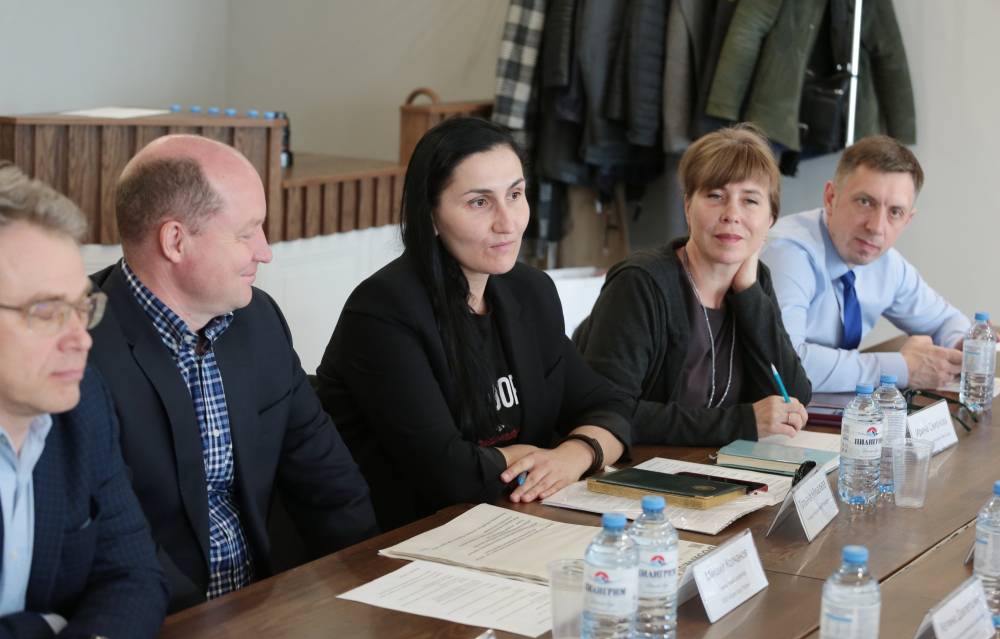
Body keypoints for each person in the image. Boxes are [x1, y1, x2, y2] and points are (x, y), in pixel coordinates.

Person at [88, 135, 377, 612]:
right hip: (156, 623)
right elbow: (114, 539)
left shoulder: (258, 320)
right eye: (247, 233)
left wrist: (374, 589)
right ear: (175, 241)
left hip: (264, 609)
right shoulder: (78, 348)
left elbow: (329, 483)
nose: (265, 252)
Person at [316, 117, 632, 531]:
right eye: (479, 202)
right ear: (431, 214)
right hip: (402, 539)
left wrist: (574, 455)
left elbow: (611, 407)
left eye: (515, 195)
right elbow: (449, 475)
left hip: (510, 521)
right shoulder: (382, 311)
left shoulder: (529, 291)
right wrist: (539, 456)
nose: (508, 222)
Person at [0, 163, 167, 639]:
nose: (81, 339)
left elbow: (134, 573)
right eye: (47, 312)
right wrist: (45, 629)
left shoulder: (82, 403)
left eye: (81, 308)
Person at [574, 124, 811, 446]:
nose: (732, 214)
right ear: (688, 207)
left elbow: (793, 399)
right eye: (715, 196)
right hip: (636, 463)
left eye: (750, 201)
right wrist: (742, 422)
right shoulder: (641, 282)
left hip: (711, 465)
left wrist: (749, 293)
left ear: (770, 219)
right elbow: (608, 409)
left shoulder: (756, 281)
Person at [760, 135, 968, 393]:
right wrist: (900, 368)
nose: (876, 227)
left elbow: (946, 320)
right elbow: (784, 364)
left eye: (895, 212)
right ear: (830, 198)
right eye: (865, 202)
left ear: (907, 220)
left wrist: (963, 350)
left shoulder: (886, 263)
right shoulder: (788, 253)